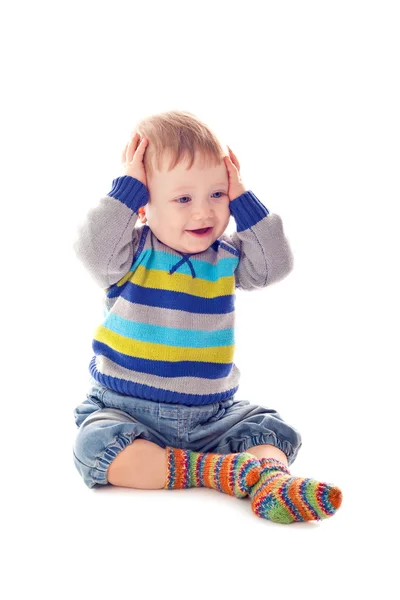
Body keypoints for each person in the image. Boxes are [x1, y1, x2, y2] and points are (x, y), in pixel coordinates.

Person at [72, 110, 342, 524]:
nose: (203, 213)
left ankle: (270, 481)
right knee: (95, 446)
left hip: (212, 415)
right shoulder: (130, 254)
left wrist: (244, 200)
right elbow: (93, 249)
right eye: (183, 199)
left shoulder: (229, 257)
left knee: (268, 430)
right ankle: (214, 471)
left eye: (217, 195)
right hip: (128, 408)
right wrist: (127, 190)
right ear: (143, 205)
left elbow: (274, 267)